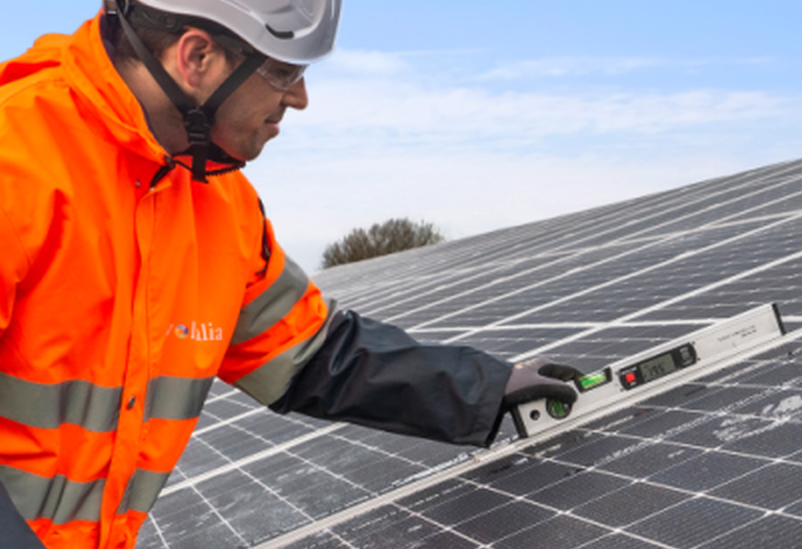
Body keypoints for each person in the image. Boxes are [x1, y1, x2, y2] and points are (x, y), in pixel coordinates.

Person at [0, 1, 581, 548]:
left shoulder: (219, 205)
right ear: (196, 57)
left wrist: (487, 388)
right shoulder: (17, 158)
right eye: (281, 72)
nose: (300, 98)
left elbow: (312, 355)